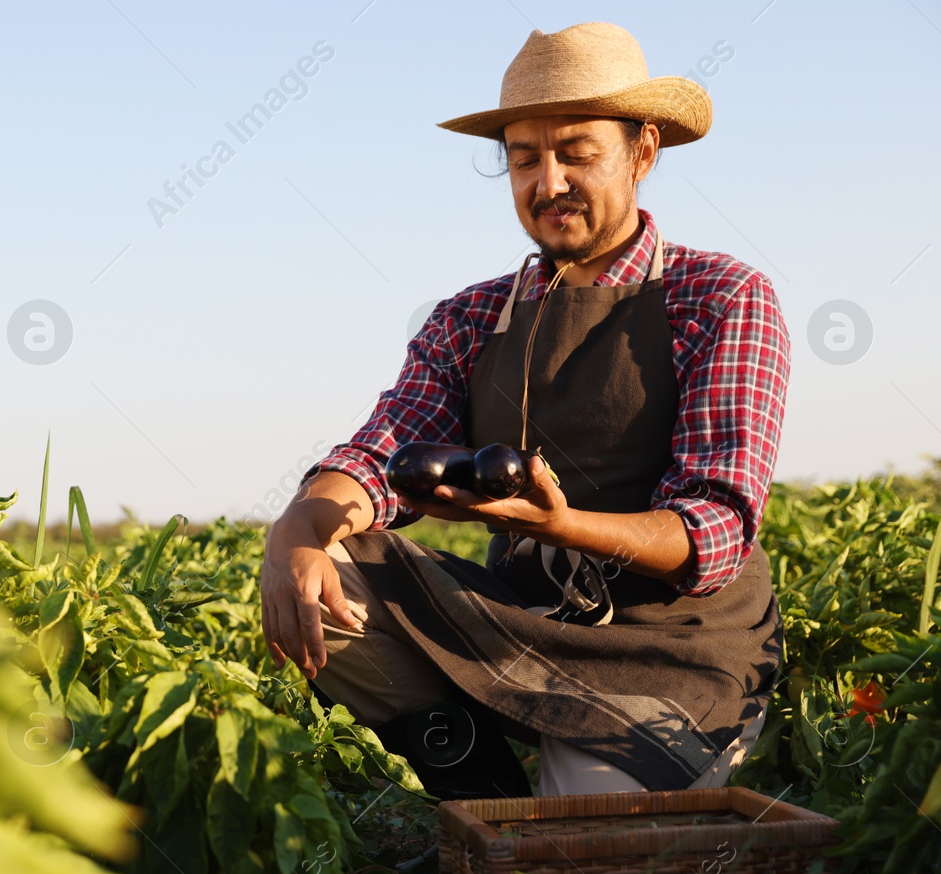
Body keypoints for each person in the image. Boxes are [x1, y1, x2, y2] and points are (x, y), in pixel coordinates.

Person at [260, 22, 790, 799]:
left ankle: (549, 824)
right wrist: (297, 529)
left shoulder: (719, 297)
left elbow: (713, 531)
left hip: (677, 650)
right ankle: (484, 808)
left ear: (643, 151)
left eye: (577, 152)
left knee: (588, 834)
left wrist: (560, 524)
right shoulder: (472, 317)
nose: (548, 183)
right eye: (523, 158)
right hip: (521, 621)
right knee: (324, 582)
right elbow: (382, 452)